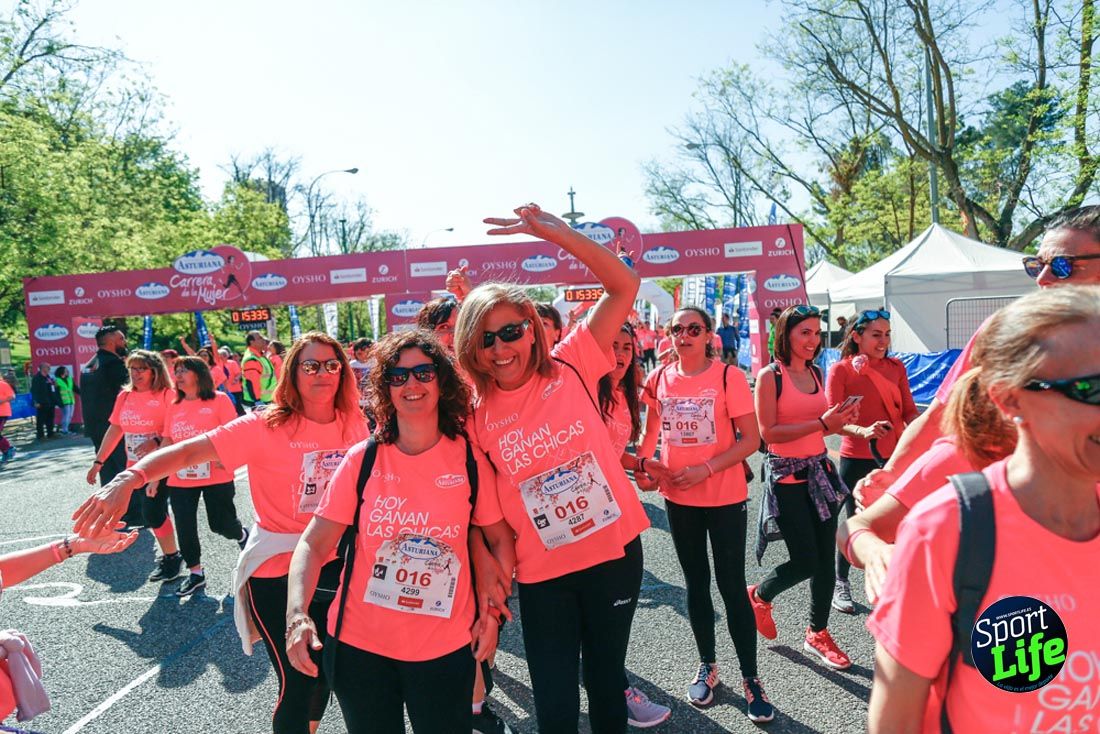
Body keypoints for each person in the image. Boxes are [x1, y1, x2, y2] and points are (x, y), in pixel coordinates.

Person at [73, 332, 369, 734]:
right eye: (311, 365)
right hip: (278, 568)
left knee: (332, 676)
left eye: (332, 365)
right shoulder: (266, 423)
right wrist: (129, 477)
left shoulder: (356, 422)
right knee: (299, 677)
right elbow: (189, 451)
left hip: (341, 565)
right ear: (293, 372)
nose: (323, 373)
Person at [866, 286, 1100, 733]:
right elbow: (895, 719)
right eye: (1091, 389)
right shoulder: (947, 529)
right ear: (1009, 399)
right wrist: (868, 542)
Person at [454, 203, 650, 734]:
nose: (500, 348)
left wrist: (560, 236)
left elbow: (624, 286)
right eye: (485, 338)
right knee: (556, 705)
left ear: (531, 330)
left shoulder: (572, 362)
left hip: (613, 553)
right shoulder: (473, 416)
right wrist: (490, 569)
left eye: (511, 331)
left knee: (608, 686)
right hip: (544, 575)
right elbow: (487, 513)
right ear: (471, 345)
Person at [286, 330, 515, 734]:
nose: (412, 384)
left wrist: (493, 614)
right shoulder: (363, 458)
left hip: (444, 649)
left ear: (441, 381)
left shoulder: (469, 459)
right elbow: (313, 542)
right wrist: (297, 615)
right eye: (398, 375)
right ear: (385, 388)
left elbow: (498, 539)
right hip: (360, 649)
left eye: (424, 372)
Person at [855, 205, 1100, 503]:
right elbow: (938, 416)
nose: (1043, 278)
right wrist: (893, 473)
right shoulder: (1006, 332)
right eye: (1036, 265)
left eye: (1063, 265)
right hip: (1024, 516)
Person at [637, 307, 772, 721]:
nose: (684, 335)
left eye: (693, 328)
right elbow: (650, 436)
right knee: (696, 583)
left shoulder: (728, 377)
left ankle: (751, 677)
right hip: (679, 499)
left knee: (731, 586)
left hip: (725, 497)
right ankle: (708, 665)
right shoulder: (659, 378)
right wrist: (644, 467)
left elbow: (751, 439)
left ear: (710, 335)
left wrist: (706, 469)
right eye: (676, 329)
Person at [749, 305, 858, 671]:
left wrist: (840, 421)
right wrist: (820, 422)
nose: (813, 340)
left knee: (825, 560)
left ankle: (818, 632)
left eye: (816, 332)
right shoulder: (770, 376)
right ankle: (761, 594)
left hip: (819, 475)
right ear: (787, 334)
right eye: (805, 333)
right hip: (787, 481)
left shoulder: (816, 371)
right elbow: (769, 434)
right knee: (807, 559)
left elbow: (822, 429)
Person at [597, 323, 673, 728]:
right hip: (585, 518)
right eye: (613, 344)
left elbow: (612, 453)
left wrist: (641, 463)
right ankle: (615, 688)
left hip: (620, 511)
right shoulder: (580, 391)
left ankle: (614, 682)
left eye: (628, 346)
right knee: (602, 610)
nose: (622, 353)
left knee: (621, 602)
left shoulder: (624, 393)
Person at [824, 309, 918, 614]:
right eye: (876, 335)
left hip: (895, 458)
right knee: (856, 522)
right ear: (857, 336)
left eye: (887, 334)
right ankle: (841, 583)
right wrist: (863, 431)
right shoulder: (840, 371)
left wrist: (925, 435)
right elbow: (832, 421)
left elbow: (909, 412)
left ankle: (893, 584)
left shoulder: (896, 367)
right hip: (856, 457)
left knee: (898, 522)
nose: (883, 341)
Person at [85, 350, 182, 584]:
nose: (136, 373)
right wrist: (98, 462)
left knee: (153, 512)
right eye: (132, 368)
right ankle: (173, 556)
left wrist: (156, 441)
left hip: (163, 462)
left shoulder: (167, 395)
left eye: (141, 369)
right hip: (134, 467)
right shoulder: (124, 396)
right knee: (151, 512)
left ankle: (173, 557)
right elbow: (115, 429)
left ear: (154, 371)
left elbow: (177, 429)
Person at [159, 356, 247, 597]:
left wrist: (224, 456)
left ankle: (242, 535)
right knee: (185, 525)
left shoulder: (219, 401)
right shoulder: (174, 405)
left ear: (198, 374)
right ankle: (195, 573)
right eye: (175, 371)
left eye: (183, 370)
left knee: (221, 525)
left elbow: (235, 434)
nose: (177, 375)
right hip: (180, 478)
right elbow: (168, 440)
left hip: (216, 475)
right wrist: (154, 475)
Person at [80, 326, 130, 485]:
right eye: (121, 339)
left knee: (107, 471)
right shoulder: (113, 364)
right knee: (124, 471)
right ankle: (131, 509)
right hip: (114, 427)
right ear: (110, 342)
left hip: (95, 426)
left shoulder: (89, 364)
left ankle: (111, 508)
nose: (125, 342)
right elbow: (129, 391)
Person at [242, 331, 276, 408]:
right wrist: (257, 401)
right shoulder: (252, 359)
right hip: (258, 403)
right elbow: (252, 382)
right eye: (260, 338)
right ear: (252, 342)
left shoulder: (259, 356)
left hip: (266, 400)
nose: (263, 339)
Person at [30, 363, 57, 441]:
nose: (49, 368)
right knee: (41, 419)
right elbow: (34, 391)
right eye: (47, 367)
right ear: (42, 368)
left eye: (49, 367)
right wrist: (35, 401)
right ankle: (40, 435)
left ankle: (50, 433)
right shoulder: (37, 378)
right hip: (42, 402)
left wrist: (54, 384)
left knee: (50, 418)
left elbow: (52, 387)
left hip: (50, 401)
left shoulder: (48, 377)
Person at [348, 338, 373, 415]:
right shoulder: (352, 365)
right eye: (359, 354)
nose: (363, 356)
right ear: (355, 353)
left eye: (367, 353)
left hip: (372, 400)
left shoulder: (375, 363)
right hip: (357, 400)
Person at [53, 365, 78, 435]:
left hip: (71, 400)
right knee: (66, 416)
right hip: (63, 401)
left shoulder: (69, 379)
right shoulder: (57, 381)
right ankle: (64, 430)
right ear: (62, 372)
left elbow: (75, 388)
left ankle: (65, 429)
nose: (67, 372)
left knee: (70, 416)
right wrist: (59, 402)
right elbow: (56, 393)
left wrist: (82, 393)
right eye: (66, 371)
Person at [0, 374, 14, 465]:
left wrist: (2, 400)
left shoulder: (2, 384)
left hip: (2, 413)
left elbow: (12, 396)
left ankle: (8, 449)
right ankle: (6, 450)